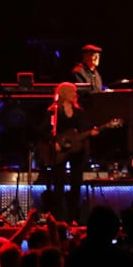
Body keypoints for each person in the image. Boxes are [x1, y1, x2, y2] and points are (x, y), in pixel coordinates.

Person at [44, 82, 92, 222]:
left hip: (76, 152)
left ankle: (72, 218)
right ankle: (59, 218)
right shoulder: (53, 111)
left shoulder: (79, 112)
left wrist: (91, 132)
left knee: (76, 184)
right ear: (64, 94)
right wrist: (55, 143)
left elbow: (84, 129)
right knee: (58, 184)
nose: (75, 95)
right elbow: (44, 130)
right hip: (59, 153)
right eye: (72, 92)